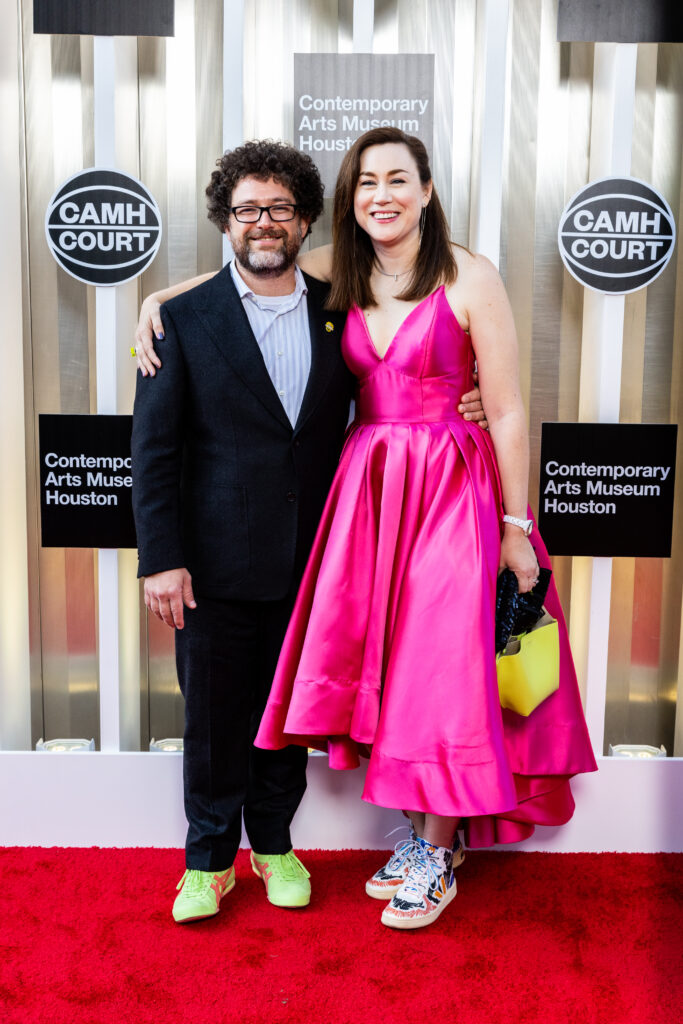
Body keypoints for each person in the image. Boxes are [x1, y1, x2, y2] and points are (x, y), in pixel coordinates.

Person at [131, 138, 486, 925]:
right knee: (215, 718)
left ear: (302, 222)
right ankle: (207, 861)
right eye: (247, 209)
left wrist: (473, 402)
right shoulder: (183, 321)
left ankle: (275, 845)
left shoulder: (340, 302)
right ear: (225, 219)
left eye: (280, 209)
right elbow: (151, 452)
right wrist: (162, 560)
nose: (264, 223)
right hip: (213, 561)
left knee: (285, 719)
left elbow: (413, 363)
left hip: (321, 556)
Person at [251, 128, 597, 930]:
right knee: (396, 662)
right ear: (352, 196)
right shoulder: (340, 269)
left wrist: (516, 526)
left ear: (426, 190)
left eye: (398, 179)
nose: (382, 194)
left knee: (445, 666)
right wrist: (161, 299)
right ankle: (424, 834)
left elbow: (506, 408)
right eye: (366, 180)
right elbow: (247, 276)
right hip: (368, 490)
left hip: (453, 487)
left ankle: (438, 849)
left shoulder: (470, 274)